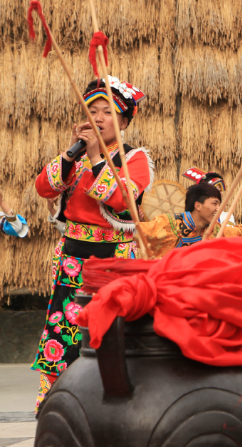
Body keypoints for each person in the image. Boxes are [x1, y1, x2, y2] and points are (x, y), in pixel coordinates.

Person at [31, 77, 152, 410]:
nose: (98, 118)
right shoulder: (76, 156)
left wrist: (99, 158)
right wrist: (73, 154)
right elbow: (44, 187)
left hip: (115, 259)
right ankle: (60, 406)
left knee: (112, 329)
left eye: (108, 112)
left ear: (125, 122)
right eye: (92, 111)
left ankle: (114, 405)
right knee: (64, 327)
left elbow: (121, 200)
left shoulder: (135, 159)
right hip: (73, 257)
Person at [140, 177, 242, 258]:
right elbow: (135, 231)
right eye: (215, 203)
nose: (218, 209)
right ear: (198, 206)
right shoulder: (169, 223)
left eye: (219, 204)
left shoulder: (215, 231)